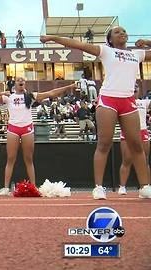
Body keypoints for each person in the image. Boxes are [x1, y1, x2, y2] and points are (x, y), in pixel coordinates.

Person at [41, 27, 151, 199]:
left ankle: (145, 187)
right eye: (117, 32)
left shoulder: (137, 54)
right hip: (108, 99)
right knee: (104, 143)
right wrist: (53, 37)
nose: (122, 33)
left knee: (136, 145)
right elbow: (77, 44)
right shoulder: (106, 51)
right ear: (110, 39)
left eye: (124, 31)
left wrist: (147, 42)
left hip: (128, 101)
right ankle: (98, 187)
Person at [0, 77, 74, 196]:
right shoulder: (9, 97)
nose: (21, 81)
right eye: (18, 80)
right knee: (10, 158)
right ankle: (6, 187)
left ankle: (33, 186)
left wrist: (69, 87)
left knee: (28, 159)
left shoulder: (30, 96)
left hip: (27, 128)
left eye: (22, 80)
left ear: (24, 84)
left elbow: (51, 93)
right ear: (14, 84)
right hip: (13, 128)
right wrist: (3, 92)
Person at [118, 88, 151, 195]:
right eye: (133, 89)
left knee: (145, 160)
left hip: (142, 130)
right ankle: (122, 186)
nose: (135, 91)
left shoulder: (144, 102)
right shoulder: (124, 101)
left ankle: (146, 186)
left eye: (136, 89)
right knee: (127, 160)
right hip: (127, 131)